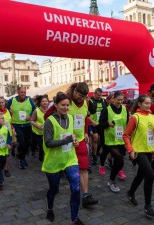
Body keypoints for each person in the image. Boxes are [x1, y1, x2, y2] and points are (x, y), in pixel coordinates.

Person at [46, 83, 98, 208]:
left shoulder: (86, 103)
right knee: (60, 169)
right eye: (80, 95)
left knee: (84, 167)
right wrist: (60, 131)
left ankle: (85, 195)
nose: (82, 98)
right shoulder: (65, 101)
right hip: (65, 141)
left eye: (85, 96)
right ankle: (54, 188)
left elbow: (85, 117)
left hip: (79, 140)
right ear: (74, 91)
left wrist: (85, 131)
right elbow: (47, 116)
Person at [42, 93, 84, 225]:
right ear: (55, 105)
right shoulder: (49, 121)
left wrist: (75, 142)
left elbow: (72, 137)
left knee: (76, 188)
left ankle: (74, 219)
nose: (66, 108)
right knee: (54, 189)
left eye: (67, 105)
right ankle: (50, 208)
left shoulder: (71, 118)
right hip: (53, 161)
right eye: (63, 105)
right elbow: (48, 143)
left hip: (70, 159)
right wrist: (66, 140)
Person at [123, 94, 154, 217]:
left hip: (149, 150)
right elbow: (126, 135)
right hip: (138, 151)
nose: (148, 105)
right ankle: (148, 206)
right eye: (146, 103)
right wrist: (130, 149)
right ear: (139, 104)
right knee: (149, 175)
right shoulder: (135, 117)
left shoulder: (152, 116)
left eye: (149, 103)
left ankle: (130, 192)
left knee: (141, 174)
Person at [99, 91, 129, 192]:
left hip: (121, 139)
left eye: (122, 100)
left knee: (120, 162)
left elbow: (128, 123)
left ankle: (114, 174)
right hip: (110, 140)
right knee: (119, 160)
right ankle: (111, 181)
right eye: (118, 100)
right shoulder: (106, 110)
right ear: (113, 99)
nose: (120, 102)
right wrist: (108, 124)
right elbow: (100, 125)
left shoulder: (125, 109)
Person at [7, 87, 36, 169]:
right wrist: (9, 111)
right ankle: (21, 159)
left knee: (27, 144)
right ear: (18, 92)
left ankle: (22, 157)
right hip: (16, 125)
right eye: (21, 92)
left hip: (27, 125)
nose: (23, 94)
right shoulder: (11, 100)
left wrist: (30, 115)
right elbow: (6, 109)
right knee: (22, 142)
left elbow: (34, 109)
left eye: (24, 92)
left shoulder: (30, 100)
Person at [88, 88, 108, 165]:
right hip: (93, 123)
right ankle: (94, 156)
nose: (99, 97)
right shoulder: (90, 101)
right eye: (98, 95)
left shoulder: (103, 101)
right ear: (94, 94)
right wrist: (91, 121)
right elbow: (86, 114)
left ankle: (96, 151)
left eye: (101, 95)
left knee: (100, 139)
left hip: (101, 123)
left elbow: (107, 110)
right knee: (95, 139)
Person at [30, 95, 49, 161]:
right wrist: (38, 126)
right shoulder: (36, 111)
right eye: (43, 101)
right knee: (41, 146)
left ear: (48, 102)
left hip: (47, 132)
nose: (45, 103)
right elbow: (32, 121)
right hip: (37, 132)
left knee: (45, 146)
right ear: (40, 103)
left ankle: (44, 159)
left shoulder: (50, 111)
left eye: (46, 101)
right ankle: (41, 158)